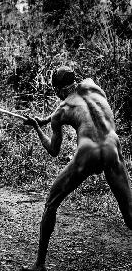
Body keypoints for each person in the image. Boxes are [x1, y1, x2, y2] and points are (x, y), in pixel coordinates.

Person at [22, 66, 132, 271]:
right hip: (111, 147)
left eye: (56, 90)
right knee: (130, 215)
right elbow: (76, 107)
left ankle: (39, 265)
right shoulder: (92, 85)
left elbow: (53, 150)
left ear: (59, 90)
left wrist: (38, 128)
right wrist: (45, 120)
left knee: (51, 203)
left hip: (88, 153)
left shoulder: (61, 111)